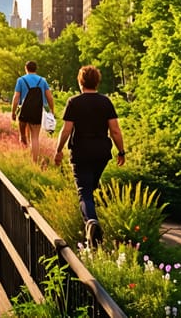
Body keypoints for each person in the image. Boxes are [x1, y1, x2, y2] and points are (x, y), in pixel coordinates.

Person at [53, 65, 126, 249]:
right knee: (90, 187)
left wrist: (59, 149)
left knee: (84, 192)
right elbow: (115, 130)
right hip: (101, 153)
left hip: (81, 152)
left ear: (80, 82)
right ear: (97, 82)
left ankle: (91, 223)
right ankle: (92, 219)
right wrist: (121, 151)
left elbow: (67, 129)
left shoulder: (74, 102)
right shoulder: (106, 102)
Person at [11, 60, 55, 165]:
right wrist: (52, 110)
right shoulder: (42, 81)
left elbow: (16, 97)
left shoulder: (21, 80)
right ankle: (34, 162)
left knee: (23, 135)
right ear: (36, 69)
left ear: (26, 69)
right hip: (37, 111)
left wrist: (13, 111)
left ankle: (24, 157)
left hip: (24, 111)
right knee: (35, 137)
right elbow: (50, 97)